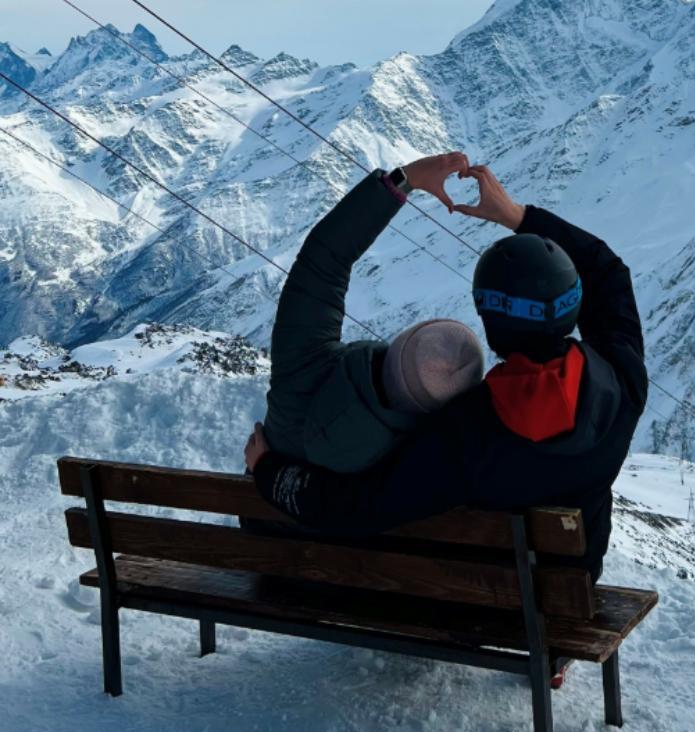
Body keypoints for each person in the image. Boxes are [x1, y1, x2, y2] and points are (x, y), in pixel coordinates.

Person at [245, 163, 647, 582]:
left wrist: (269, 470)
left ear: (491, 323)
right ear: (574, 304)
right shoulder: (623, 379)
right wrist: (517, 215)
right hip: (552, 602)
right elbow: (608, 274)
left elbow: (359, 507)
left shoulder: (467, 430)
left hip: (474, 603)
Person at [262, 152, 485, 474]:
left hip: (258, 517)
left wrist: (405, 180)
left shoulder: (304, 367)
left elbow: (324, 260)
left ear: (399, 345)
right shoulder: (418, 468)